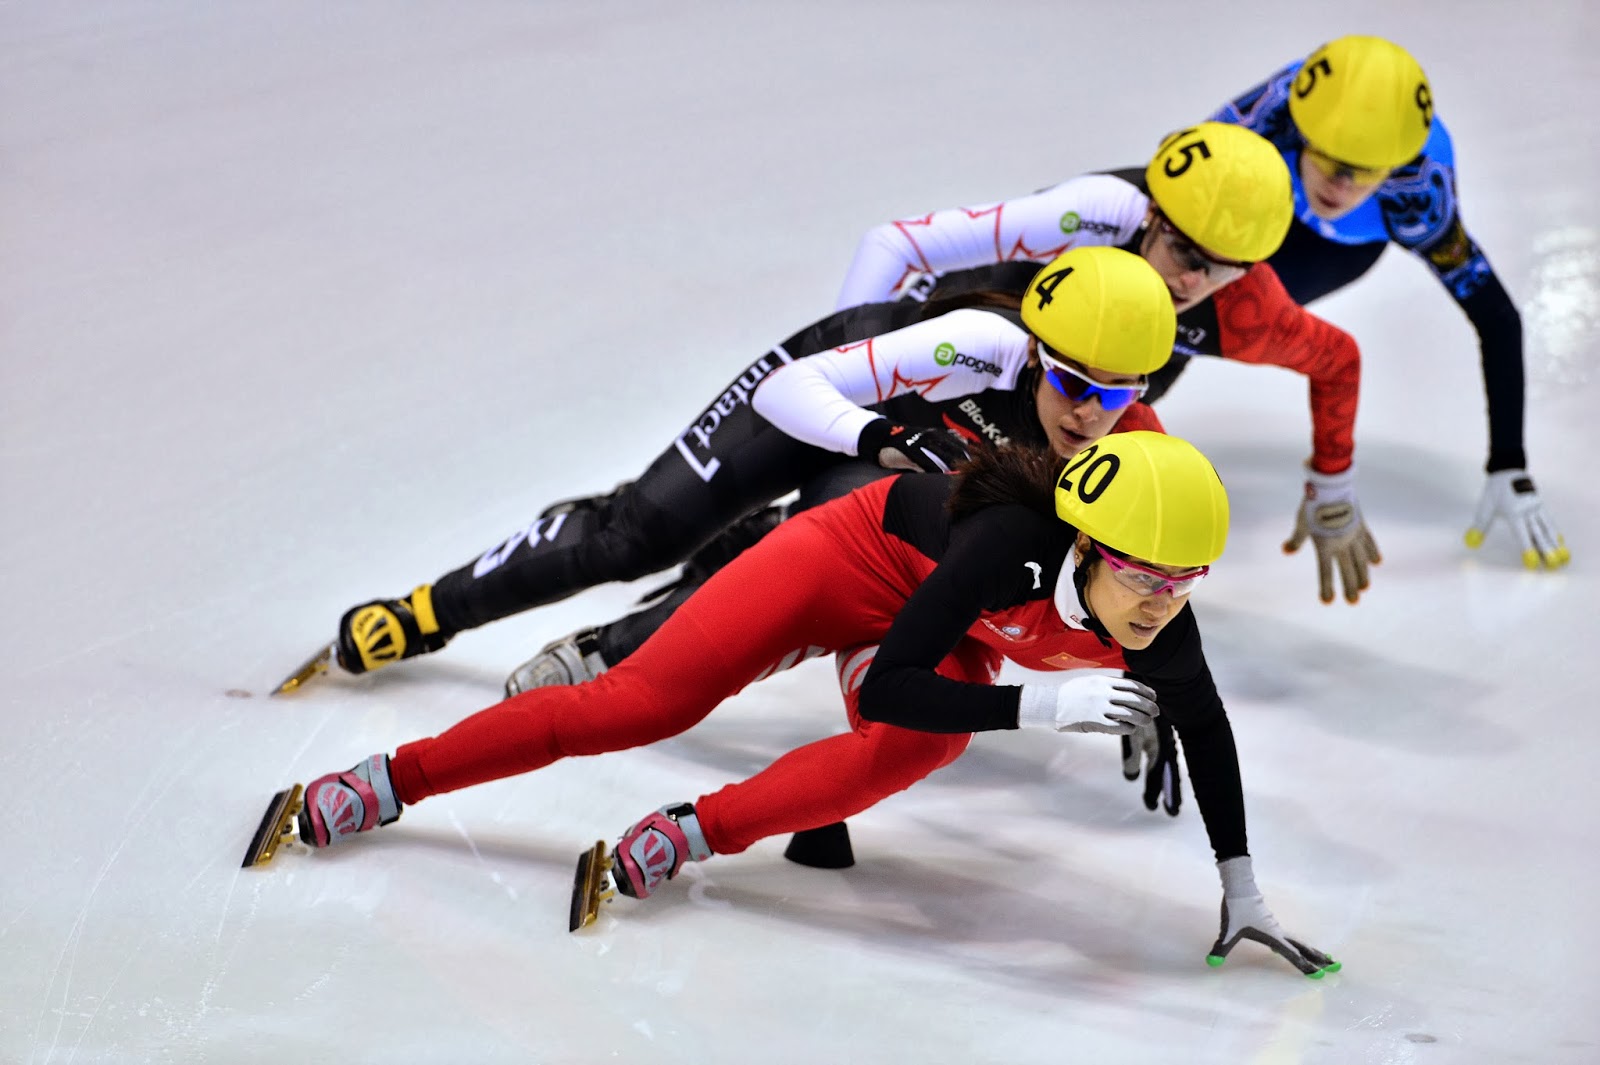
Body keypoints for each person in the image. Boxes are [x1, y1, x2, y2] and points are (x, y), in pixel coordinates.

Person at [258, 427, 1340, 978]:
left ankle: (684, 836)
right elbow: (909, 672)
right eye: (1145, 576)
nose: (1161, 603)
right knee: (634, 707)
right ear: (1089, 547)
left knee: (905, 755)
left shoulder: (1162, 619)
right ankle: (384, 783)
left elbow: (1205, 728)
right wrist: (1038, 712)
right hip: (840, 564)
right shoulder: (1008, 547)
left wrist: (1240, 888)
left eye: (1184, 581)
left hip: (935, 631)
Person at [1208, 36, 1565, 570]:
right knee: (1178, 289)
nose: (1341, 186)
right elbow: (1164, 190)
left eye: (1366, 171)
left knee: (1215, 316)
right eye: (1329, 158)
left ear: (1394, 168)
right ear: (1302, 130)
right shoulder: (1271, 114)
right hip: (1264, 202)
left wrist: (1509, 463)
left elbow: (1496, 315)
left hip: (1336, 250)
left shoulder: (1418, 189)